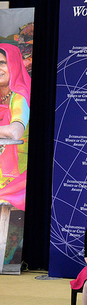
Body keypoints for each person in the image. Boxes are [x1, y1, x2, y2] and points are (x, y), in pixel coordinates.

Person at [0, 43, 32, 211]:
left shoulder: (20, 95)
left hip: (18, 173)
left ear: (13, 64)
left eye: (2, 63)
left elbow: (15, 132)